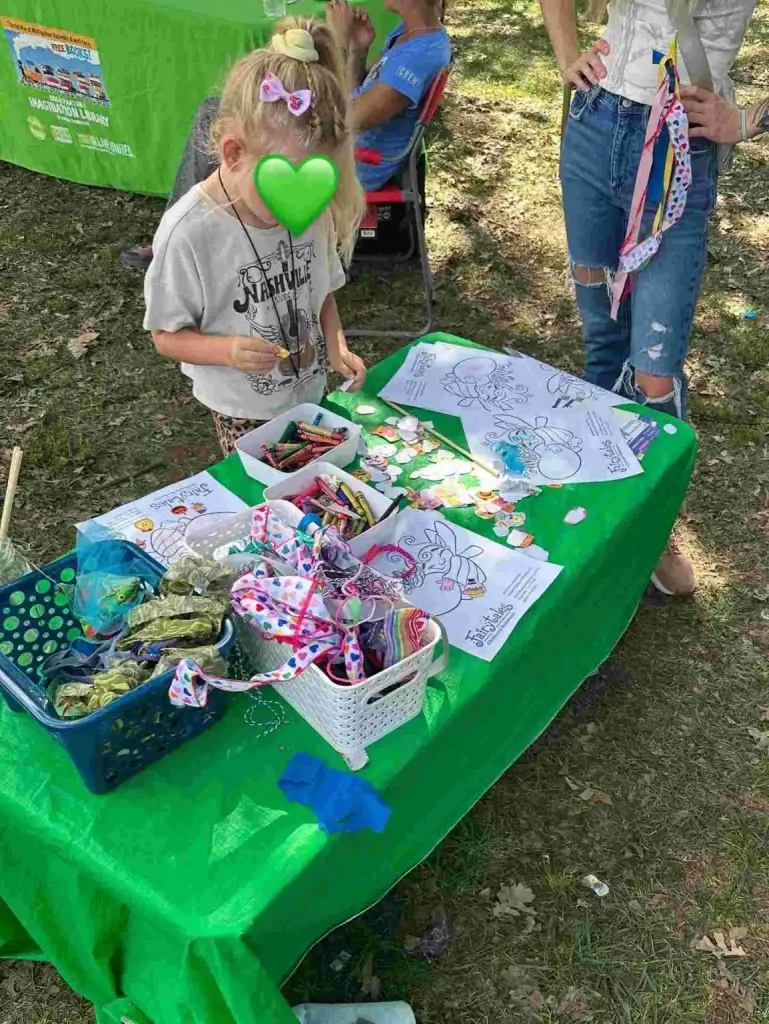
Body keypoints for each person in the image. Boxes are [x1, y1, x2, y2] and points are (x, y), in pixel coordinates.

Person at [539, 0, 756, 597]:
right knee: (602, 339)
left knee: (654, 374)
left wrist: (750, 119)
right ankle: (606, 516)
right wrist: (566, 54)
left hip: (682, 142)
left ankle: (653, 526)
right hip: (594, 125)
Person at [143, 19, 367, 457]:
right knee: (267, 504)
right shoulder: (190, 232)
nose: (296, 206)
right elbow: (166, 335)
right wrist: (228, 350)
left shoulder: (312, 206)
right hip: (242, 411)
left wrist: (335, 345)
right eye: (281, 185)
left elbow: (321, 292)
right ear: (232, 153)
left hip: (308, 390)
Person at [122, 0, 450, 271]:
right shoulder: (409, 36)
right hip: (334, 145)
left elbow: (350, 120)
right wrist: (357, 50)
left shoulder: (421, 55)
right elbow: (354, 97)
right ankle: (191, 237)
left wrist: (334, 44)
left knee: (224, 116)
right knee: (225, 114)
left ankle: (180, 241)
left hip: (342, 163)